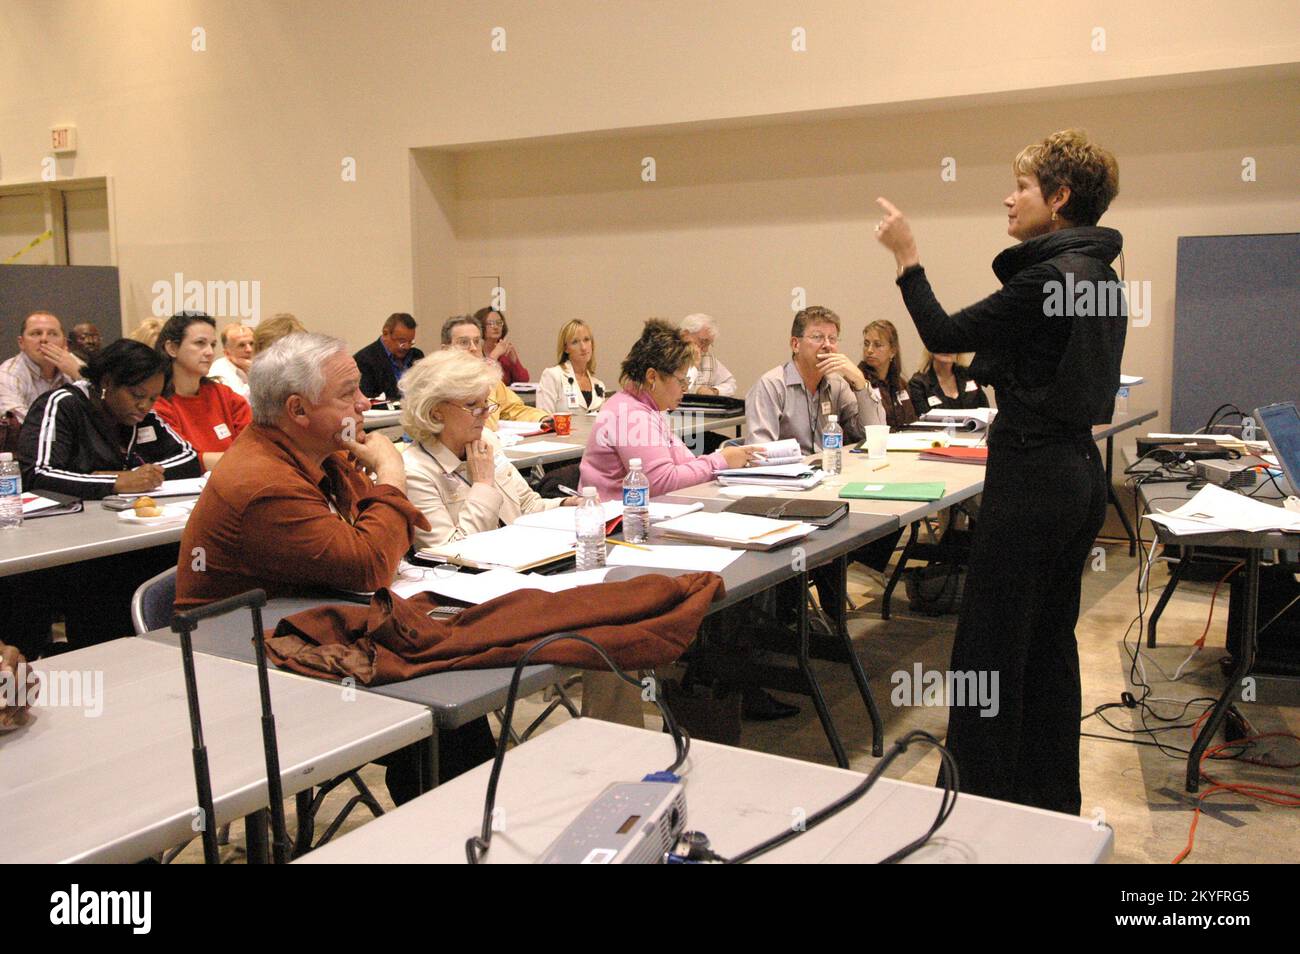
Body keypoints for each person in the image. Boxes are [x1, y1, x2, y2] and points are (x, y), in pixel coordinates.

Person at [873, 128, 1124, 815]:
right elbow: (1046, 360)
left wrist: (908, 259)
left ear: (1060, 197)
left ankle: (980, 806)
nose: (1009, 199)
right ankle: (1047, 800)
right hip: (1079, 473)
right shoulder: (1101, 276)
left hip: (1031, 475)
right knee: (1048, 642)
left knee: (988, 649)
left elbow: (945, 335)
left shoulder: (1049, 275)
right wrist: (993, 368)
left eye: (1021, 187)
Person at [173, 333, 490, 800]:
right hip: (243, 674)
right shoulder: (263, 482)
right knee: (443, 706)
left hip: (305, 630)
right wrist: (392, 473)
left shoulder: (318, 455)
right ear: (298, 411)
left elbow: (392, 536)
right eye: (348, 394)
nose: (365, 404)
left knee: (453, 694)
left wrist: (382, 511)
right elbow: (371, 562)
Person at [400, 350, 576, 549]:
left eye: (486, 403)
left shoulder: (485, 439)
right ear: (436, 412)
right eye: (472, 405)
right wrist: (483, 486)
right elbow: (450, 551)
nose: (485, 414)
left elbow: (527, 506)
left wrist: (564, 505)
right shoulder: (415, 472)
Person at [580, 319, 756, 501]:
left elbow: (682, 464)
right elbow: (660, 482)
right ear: (652, 377)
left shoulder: (646, 407)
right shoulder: (630, 414)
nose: (685, 389)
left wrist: (720, 460)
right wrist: (720, 461)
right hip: (622, 520)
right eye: (681, 381)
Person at [18, 339, 201, 499]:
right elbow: (37, 475)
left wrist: (135, 477)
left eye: (153, 398)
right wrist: (115, 482)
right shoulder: (62, 405)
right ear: (107, 382)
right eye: (137, 395)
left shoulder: (143, 416)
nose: (145, 405)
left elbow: (189, 457)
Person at [746, 305, 886, 453]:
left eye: (832, 339)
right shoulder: (771, 386)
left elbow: (875, 434)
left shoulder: (837, 384)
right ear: (795, 345)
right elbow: (759, 451)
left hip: (831, 470)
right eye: (817, 337)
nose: (827, 345)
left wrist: (860, 382)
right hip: (789, 473)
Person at [152, 312, 252, 470]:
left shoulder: (225, 395)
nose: (210, 352)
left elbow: (255, 444)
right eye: (200, 343)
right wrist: (240, 460)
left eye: (212, 345)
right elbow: (182, 460)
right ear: (172, 348)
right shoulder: (157, 403)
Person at [440, 315, 550, 430]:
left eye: (477, 341)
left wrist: (542, 418)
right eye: (464, 342)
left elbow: (513, 409)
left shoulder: (488, 378)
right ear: (445, 350)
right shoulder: (439, 385)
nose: (473, 348)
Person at [0, 312, 80, 425]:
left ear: (64, 343)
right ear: (21, 343)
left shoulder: (74, 364)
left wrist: (79, 375)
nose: (44, 339)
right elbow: (18, 422)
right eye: (36, 333)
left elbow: (99, 412)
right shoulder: (8, 374)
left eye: (52, 334)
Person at [536, 319, 606, 415]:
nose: (583, 347)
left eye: (586, 340)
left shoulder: (599, 385)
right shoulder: (552, 376)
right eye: (575, 342)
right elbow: (544, 420)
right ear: (566, 348)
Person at [355, 313, 424, 407]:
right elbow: (368, 400)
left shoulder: (417, 356)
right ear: (385, 333)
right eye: (402, 341)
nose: (407, 347)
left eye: (411, 342)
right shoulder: (365, 360)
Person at [859, 319, 918, 429]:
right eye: (866, 344)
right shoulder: (857, 382)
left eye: (878, 345)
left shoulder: (901, 384)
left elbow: (912, 421)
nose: (870, 350)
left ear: (892, 351)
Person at [908, 350, 990, 412]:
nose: (946, 349)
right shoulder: (918, 384)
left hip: (973, 433)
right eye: (940, 343)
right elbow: (923, 422)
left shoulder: (969, 375)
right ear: (930, 348)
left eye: (950, 344)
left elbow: (985, 411)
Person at [679, 313, 737, 396]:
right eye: (703, 342)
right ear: (685, 334)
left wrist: (714, 391)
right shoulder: (666, 354)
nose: (705, 350)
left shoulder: (707, 358)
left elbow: (731, 384)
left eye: (709, 344)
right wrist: (693, 366)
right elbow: (680, 388)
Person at [475, 307, 529, 386]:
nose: (496, 327)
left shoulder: (505, 351)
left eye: (499, 323)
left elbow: (524, 381)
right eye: (490, 323)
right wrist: (494, 355)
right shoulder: (474, 351)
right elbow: (482, 382)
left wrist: (514, 361)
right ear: (480, 326)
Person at [209, 323, 254, 397]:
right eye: (241, 345)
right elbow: (236, 404)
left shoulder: (261, 364)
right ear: (227, 353)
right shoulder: (218, 373)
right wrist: (254, 376)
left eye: (252, 343)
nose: (249, 349)